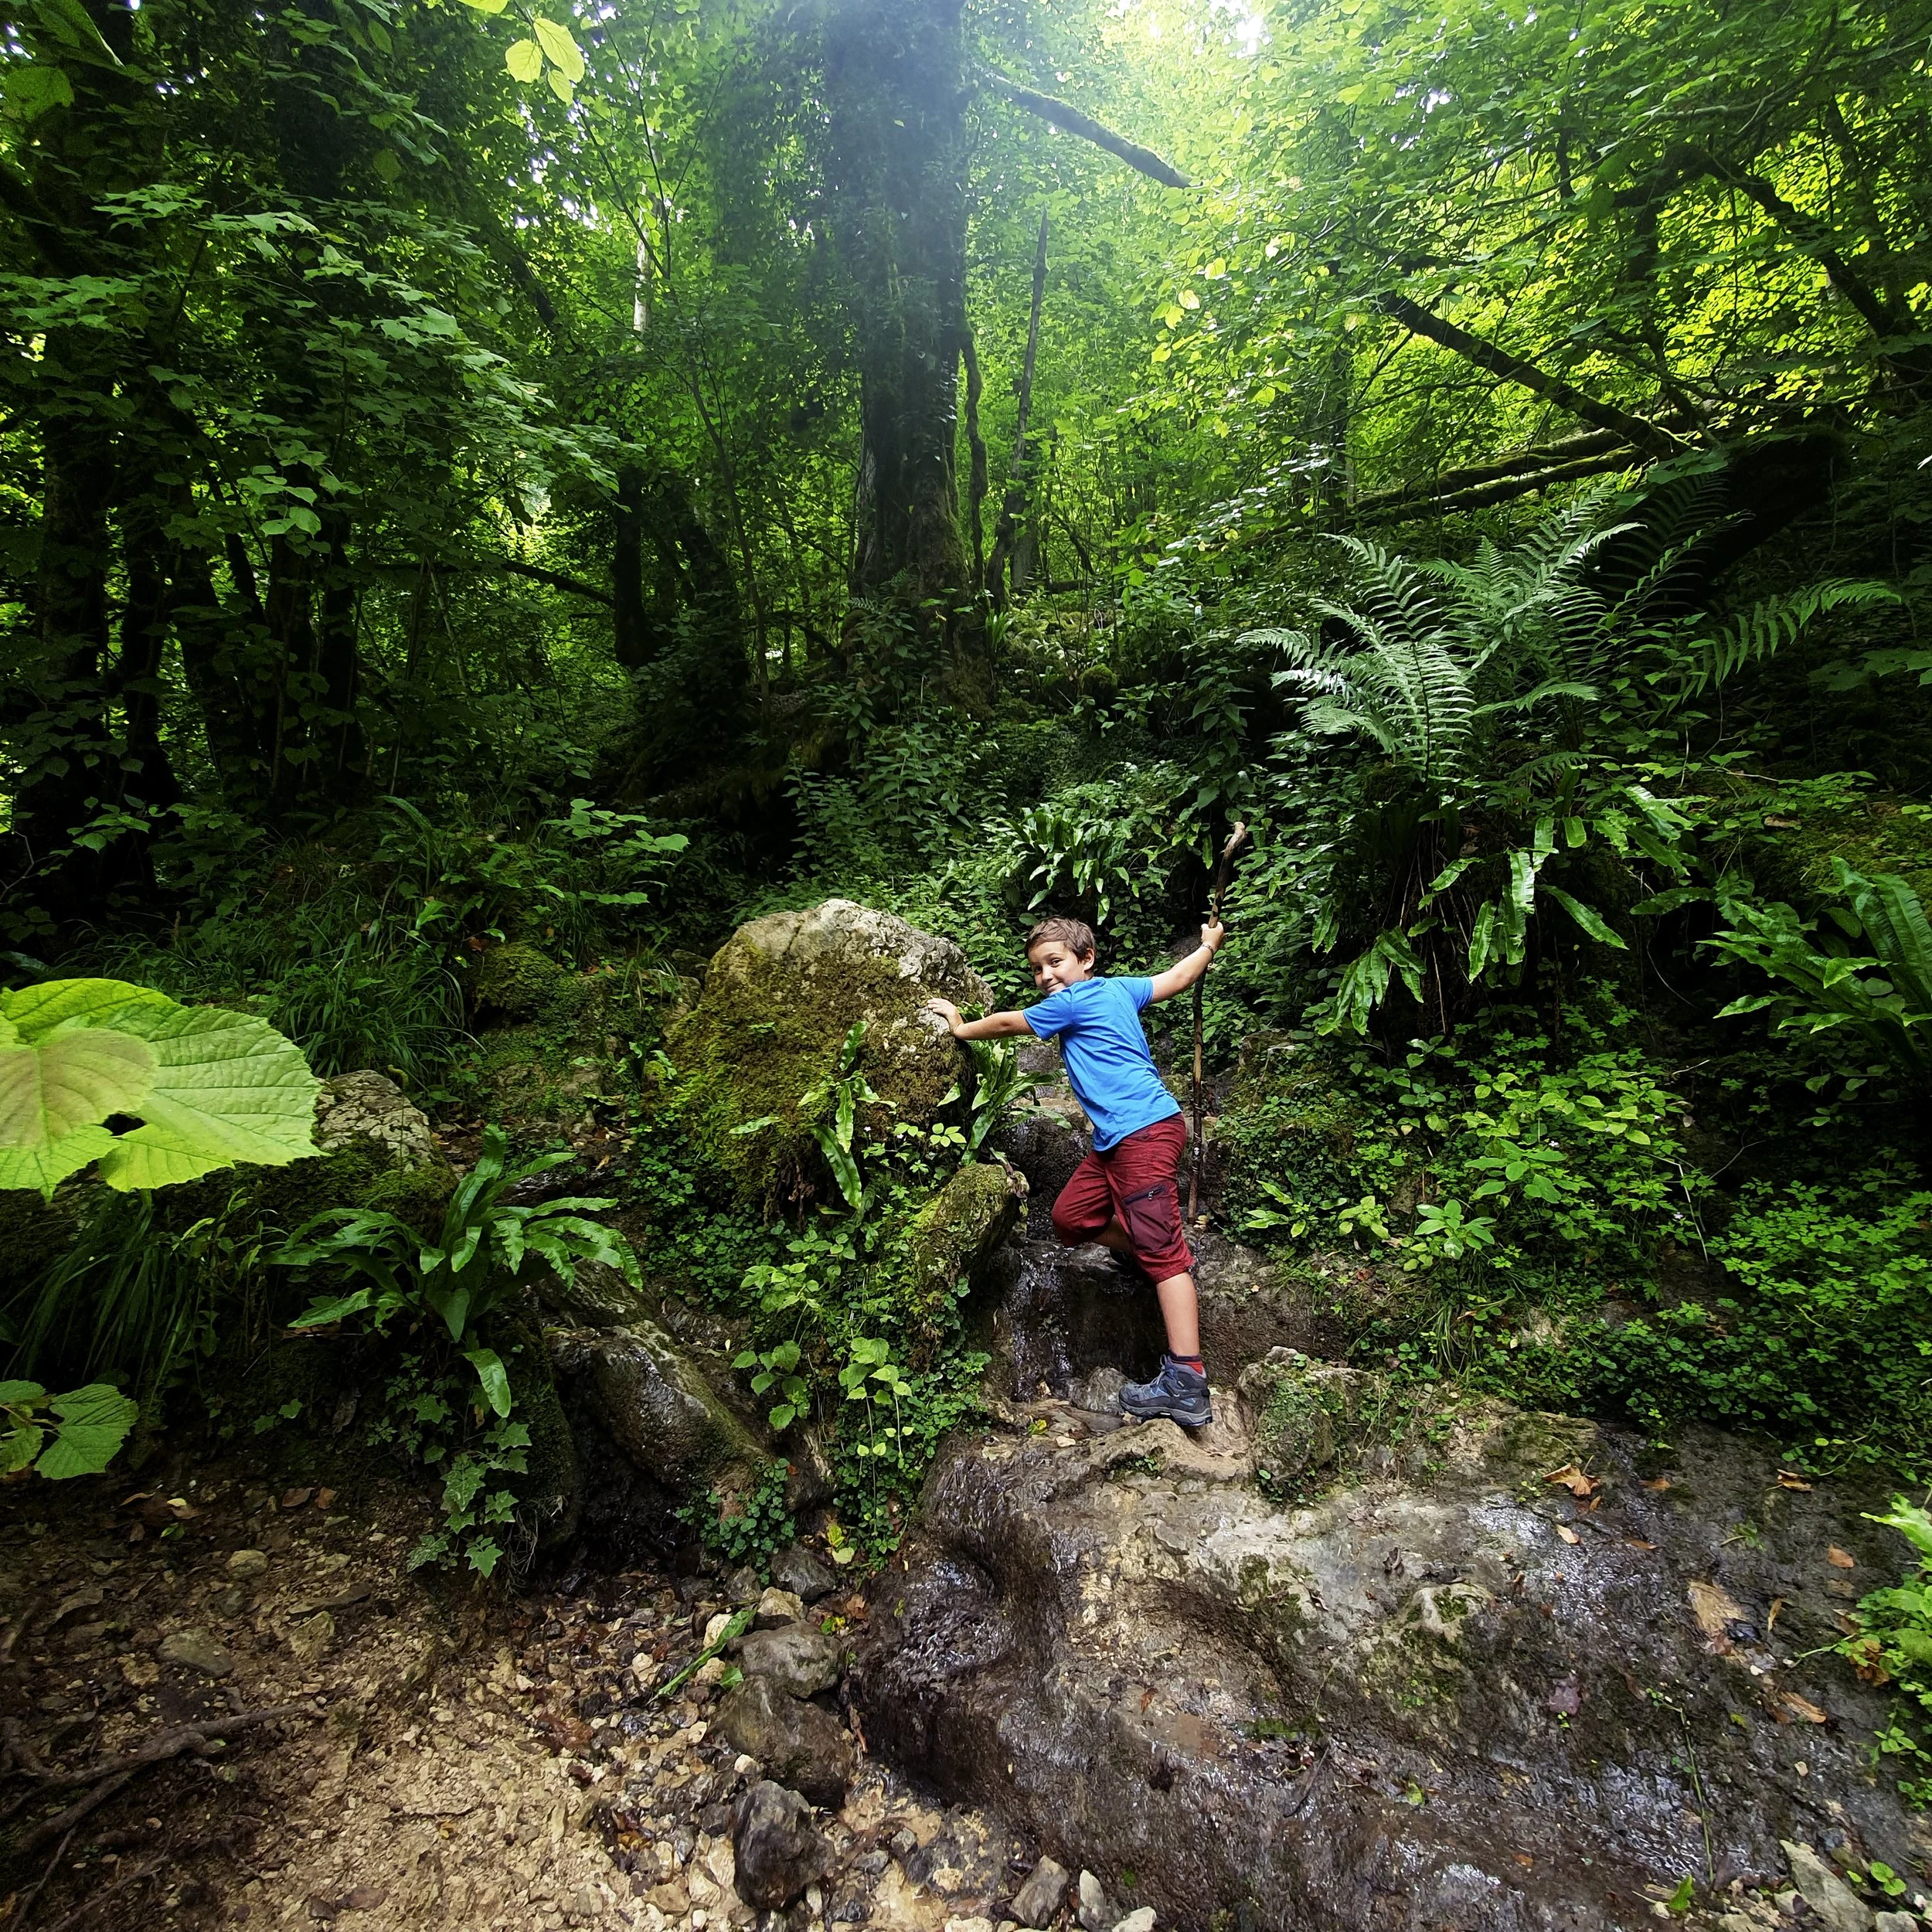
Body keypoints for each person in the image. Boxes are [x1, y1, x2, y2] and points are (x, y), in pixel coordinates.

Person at [927, 912, 1225, 1427]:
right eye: (1038, 969)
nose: (1046, 977)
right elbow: (1177, 978)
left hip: (1144, 1132)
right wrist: (1209, 946)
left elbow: (1005, 1025)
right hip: (1119, 1141)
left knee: (1166, 1254)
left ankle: (1187, 1379)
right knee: (1070, 1218)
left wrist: (958, 1025)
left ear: (1086, 960)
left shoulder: (1073, 1001)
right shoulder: (1121, 990)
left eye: (1055, 962)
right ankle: (1144, 1252)